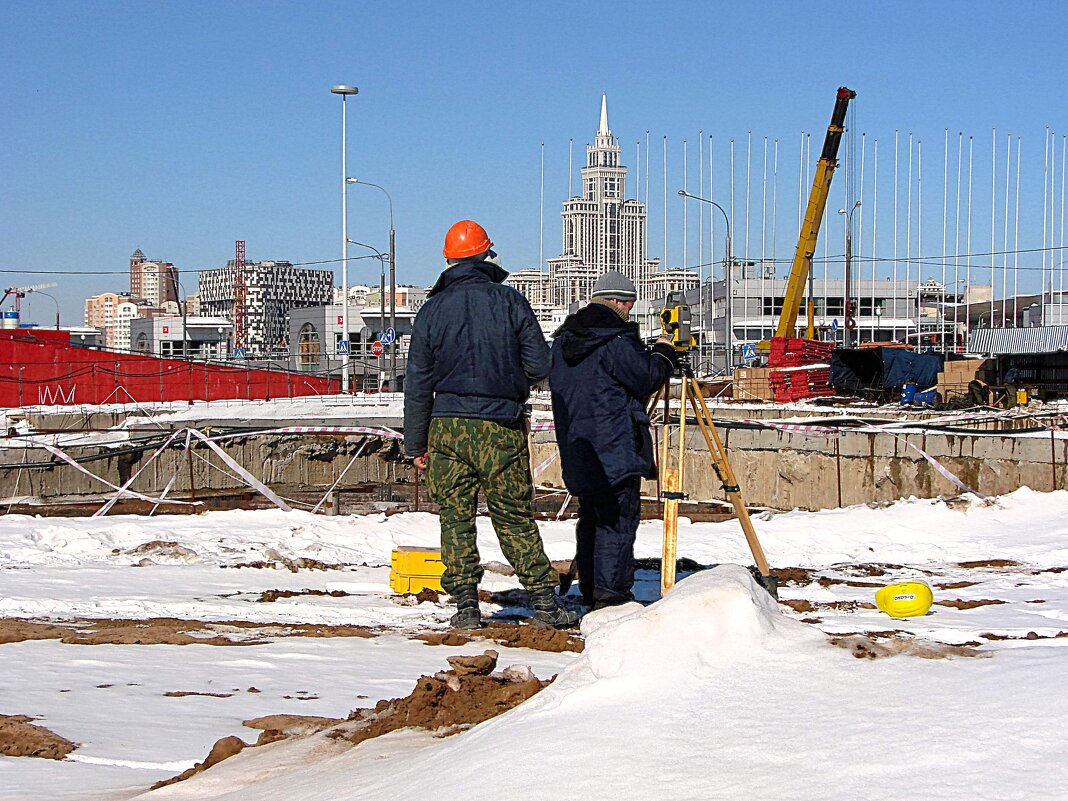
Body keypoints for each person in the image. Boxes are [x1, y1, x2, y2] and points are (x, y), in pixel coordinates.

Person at [404, 219, 578, 630]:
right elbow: (539, 364)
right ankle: (546, 605)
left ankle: (465, 608)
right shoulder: (511, 302)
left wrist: (416, 445)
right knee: (514, 515)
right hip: (500, 425)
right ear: (487, 255)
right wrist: (508, 382)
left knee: (455, 518)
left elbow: (417, 383)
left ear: (448, 259)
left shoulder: (430, 311)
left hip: (446, 429)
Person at [549, 271, 677, 609]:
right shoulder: (616, 338)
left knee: (592, 516)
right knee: (617, 521)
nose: (630, 314)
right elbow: (645, 377)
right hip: (615, 446)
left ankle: (593, 588)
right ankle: (612, 596)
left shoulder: (563, 341)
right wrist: (664, 353)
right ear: (619, 302)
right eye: (630, 307)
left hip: (578, 446)